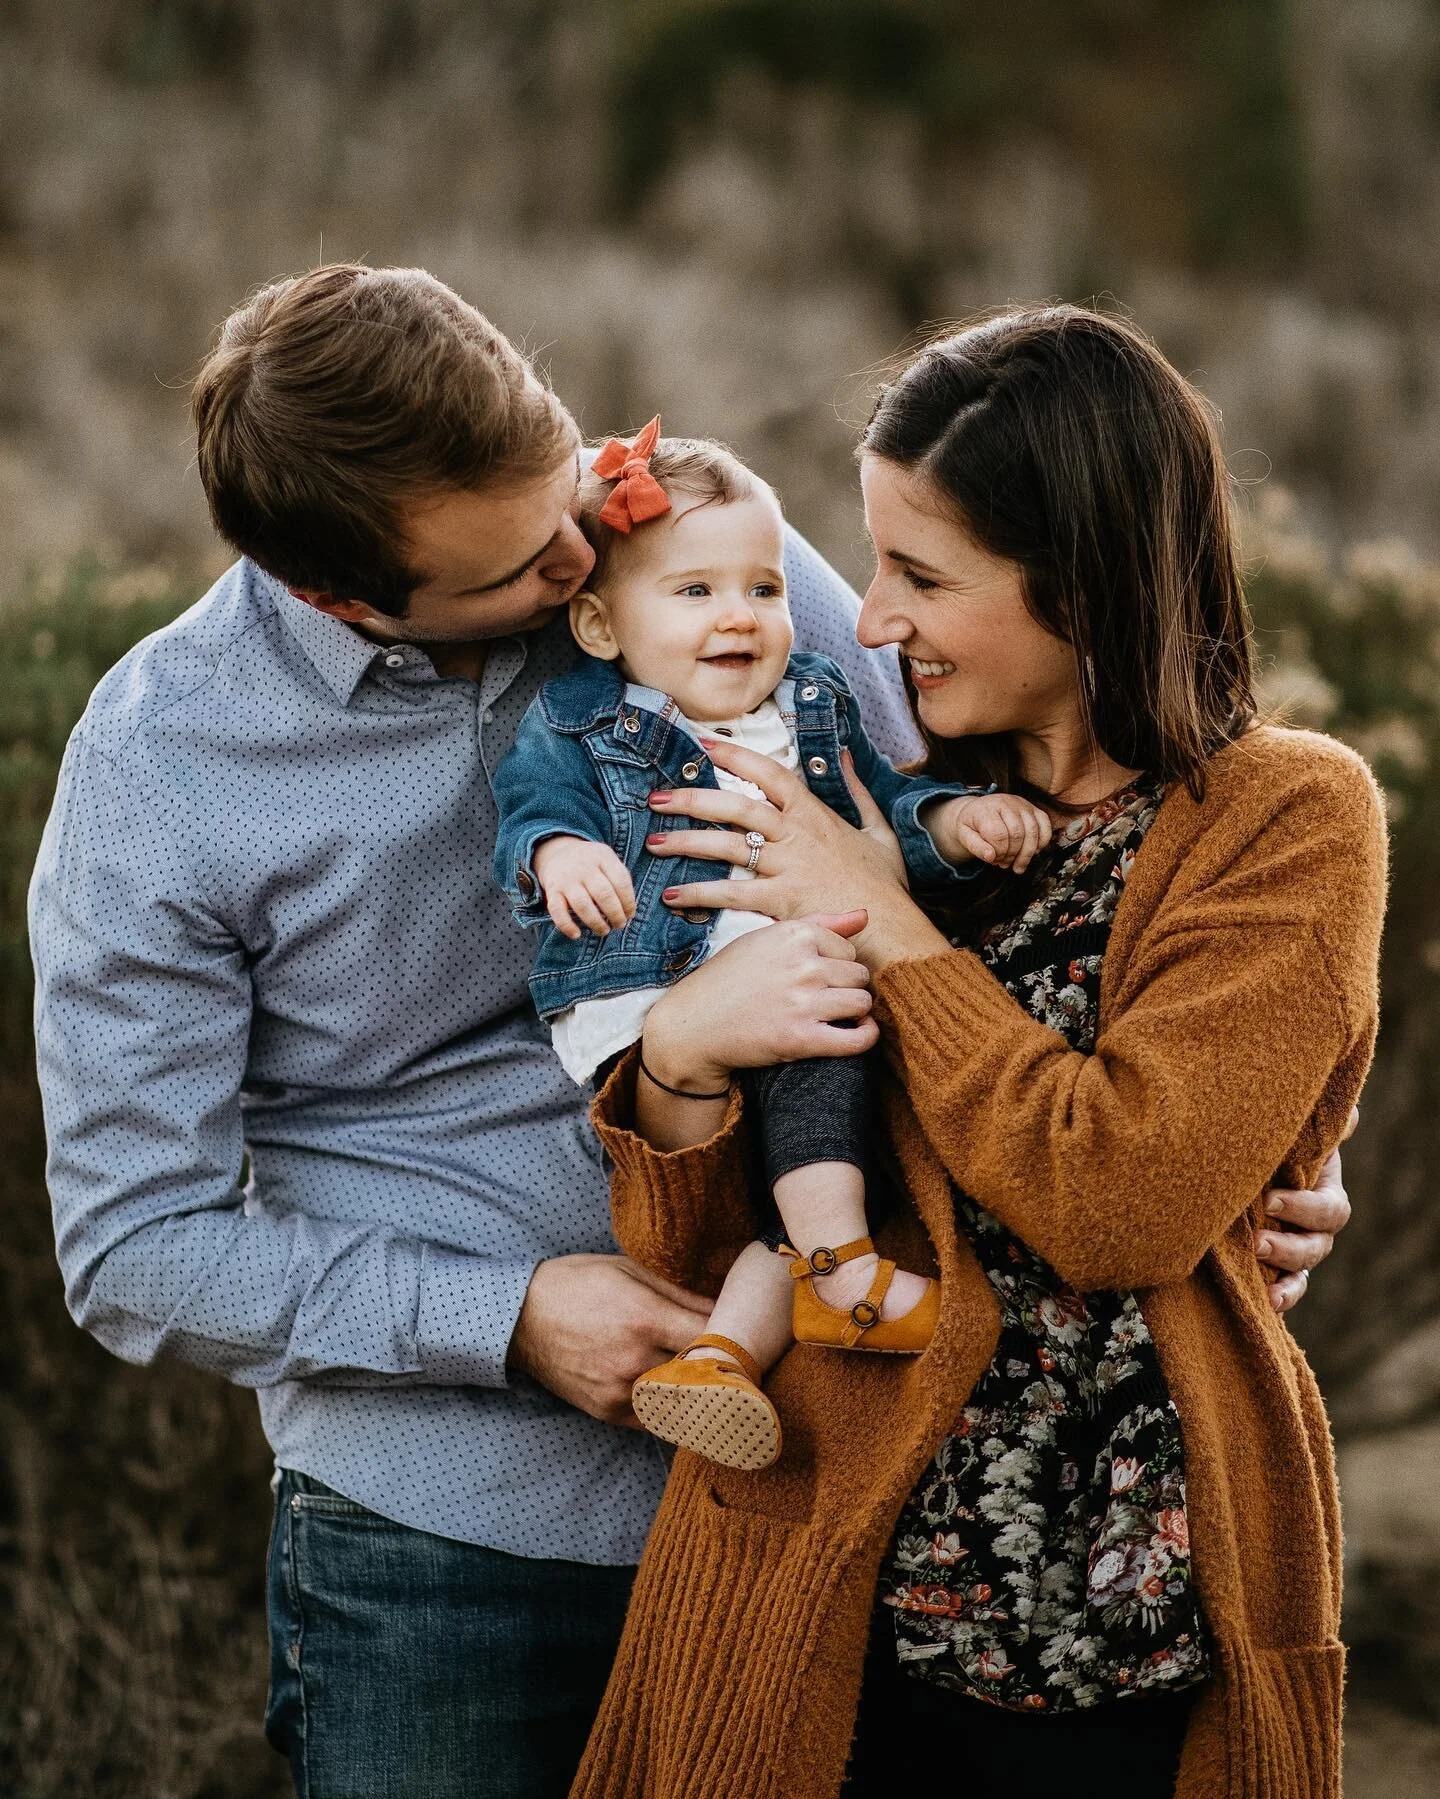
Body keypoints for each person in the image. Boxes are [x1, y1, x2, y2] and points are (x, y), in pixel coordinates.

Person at [25, 268, 1351, 1799]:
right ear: (349, 596)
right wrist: (507, 1317)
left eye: (571, 484)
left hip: (838, 1483)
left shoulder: (678, 539)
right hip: (454, 1539)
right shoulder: (165, 770)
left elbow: (1007, 799)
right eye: (526, 565)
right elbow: (134, 1242)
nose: (583, 547)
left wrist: (1258, 1128)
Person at [568, 307, 1386, 1799]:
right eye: (874, 563)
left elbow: (1123, 1200)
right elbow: (701, 1249)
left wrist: (886, 923)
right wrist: (678, 1054)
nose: (872, 620)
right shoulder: (874, 784)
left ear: (1082, 582)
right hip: (813, 1586)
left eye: (923, 575)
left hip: (1122, 1635)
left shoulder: (1283, 817)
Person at [494, 421, 1053, 1470]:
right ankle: (844, 1272)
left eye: (765, 587)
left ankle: (722, 1354)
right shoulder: (580, 722)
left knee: (799, 1147)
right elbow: (532, 812)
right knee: (823, 1042)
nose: (739, 615)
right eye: (695, 592)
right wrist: (561, 855)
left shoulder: (815, 702)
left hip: (795, 986)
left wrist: (949, 824)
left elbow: (880, 813)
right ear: (602, 626)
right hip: (652, 988)